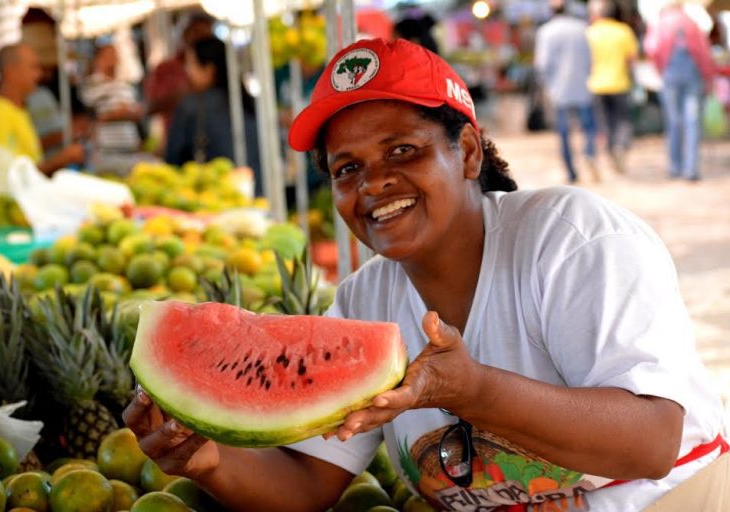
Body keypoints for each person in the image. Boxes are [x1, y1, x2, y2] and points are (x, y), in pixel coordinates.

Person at [123, 38, 727, 511]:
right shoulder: (367, 299)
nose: (373, 183)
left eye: (402, 151)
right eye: (346, 168)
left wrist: (473, 390)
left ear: (466, 151)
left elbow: (651, 443)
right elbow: (307, 485)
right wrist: (206, 459)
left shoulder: (570, 239)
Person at [0, 43, 85, 176]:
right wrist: (60, 160)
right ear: (11, 72)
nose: (39, 74)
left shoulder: (19, 110)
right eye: (33, 67)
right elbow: (11, 177)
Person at [164, 37, 261, 178]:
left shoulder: (190, 107)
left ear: (209, 69)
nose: (187, 71)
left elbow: (172, 160)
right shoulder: (249, 103)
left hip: (214, 193)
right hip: (257, 192)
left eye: (190, 64)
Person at [644, 1, 715, 182]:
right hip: (693, 76)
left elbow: (651, 48)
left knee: (673, 120)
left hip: (670, 75)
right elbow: (703, 53)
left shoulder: (659, 24)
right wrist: (708, 77)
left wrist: (661, 69)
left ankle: (675, 166)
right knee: (692, 122)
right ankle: (691, 168)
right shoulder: (692, 23)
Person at [534, 0, 599, 183]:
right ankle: (589, 152)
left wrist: (545, 86)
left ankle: (571, 171)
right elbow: (590, 57)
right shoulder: (581, 28)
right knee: (588, 126)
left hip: (558, 90)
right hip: (582, 86)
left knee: (563, 132)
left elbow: (542, 64)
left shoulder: (545, 32)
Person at [586, 0, 639, 174]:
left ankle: (607, 151)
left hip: (596, 84)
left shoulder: (589, 33)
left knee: (603, 123)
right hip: (620, 83)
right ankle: (620, 146)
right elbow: (632, 60)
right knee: (622, 121)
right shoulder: (623, 31)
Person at [144, 14, 214, 141]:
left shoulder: (219, 70)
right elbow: (150, 107)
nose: (200, 39)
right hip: (178, 140)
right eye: (196, 33)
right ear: (185, 35)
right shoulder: (166, 68)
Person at [80, 44, 143, 175]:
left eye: (115, 54)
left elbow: (135, 112)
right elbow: (92, 115)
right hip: (107, 150)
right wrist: (119, 113)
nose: (114, 58)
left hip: (129, 146)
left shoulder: (124, 85)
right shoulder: (92, 84)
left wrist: (125, 112)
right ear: (99, 58)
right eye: (109, 54)